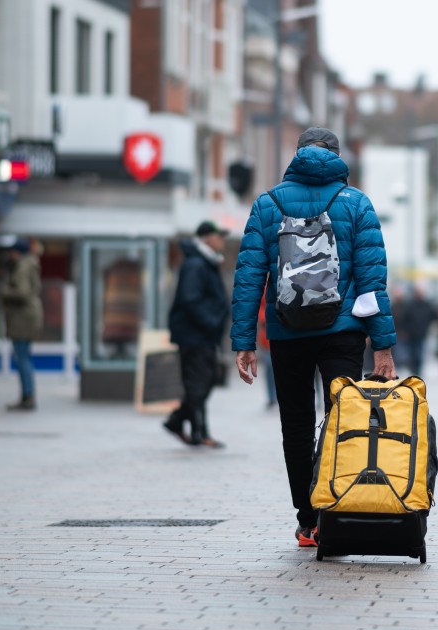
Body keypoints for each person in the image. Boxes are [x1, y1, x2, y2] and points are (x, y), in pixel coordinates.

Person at [231, 126, 398, 549]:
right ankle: (335, 509)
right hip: (341, 331)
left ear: (297, 155)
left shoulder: (267, 204)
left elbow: (250, 277)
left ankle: (308, 521)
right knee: (342, 420)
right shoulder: (356, 203)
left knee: (296, 425)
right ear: (338, 157)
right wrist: (383, 345)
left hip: (286, 332)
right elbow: (372, 280)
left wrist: (244, 341)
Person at [164, 221, 231, 448]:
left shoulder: (205, 262)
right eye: (219, 236)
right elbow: (190, 299)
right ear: (207, 239)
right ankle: (198, 432)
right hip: (194, 335)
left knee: (205, 380)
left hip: (201, 335)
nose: (222, 240)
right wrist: (212, 322)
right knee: (199, 383)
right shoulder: (196, 264)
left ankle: (183, 424)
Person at [0, 238, 43, 411]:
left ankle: (27, 396)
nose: (10, 255)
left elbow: (22, 292)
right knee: (25, 358)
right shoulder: (30, 264)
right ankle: (28, 395)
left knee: (22, 358)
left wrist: (5, 291)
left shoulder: (23, 266)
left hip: (22, 318)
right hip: (27, 317)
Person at [400, 286, 437, 377]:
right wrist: (404, 331)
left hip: (422, 334)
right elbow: (404, 319)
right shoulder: (410, 305)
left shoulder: (427, 305)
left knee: (419, 354)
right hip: (411, 335)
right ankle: (413, 369)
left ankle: (418, 371)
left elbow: (434, 316)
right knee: (412, 354)